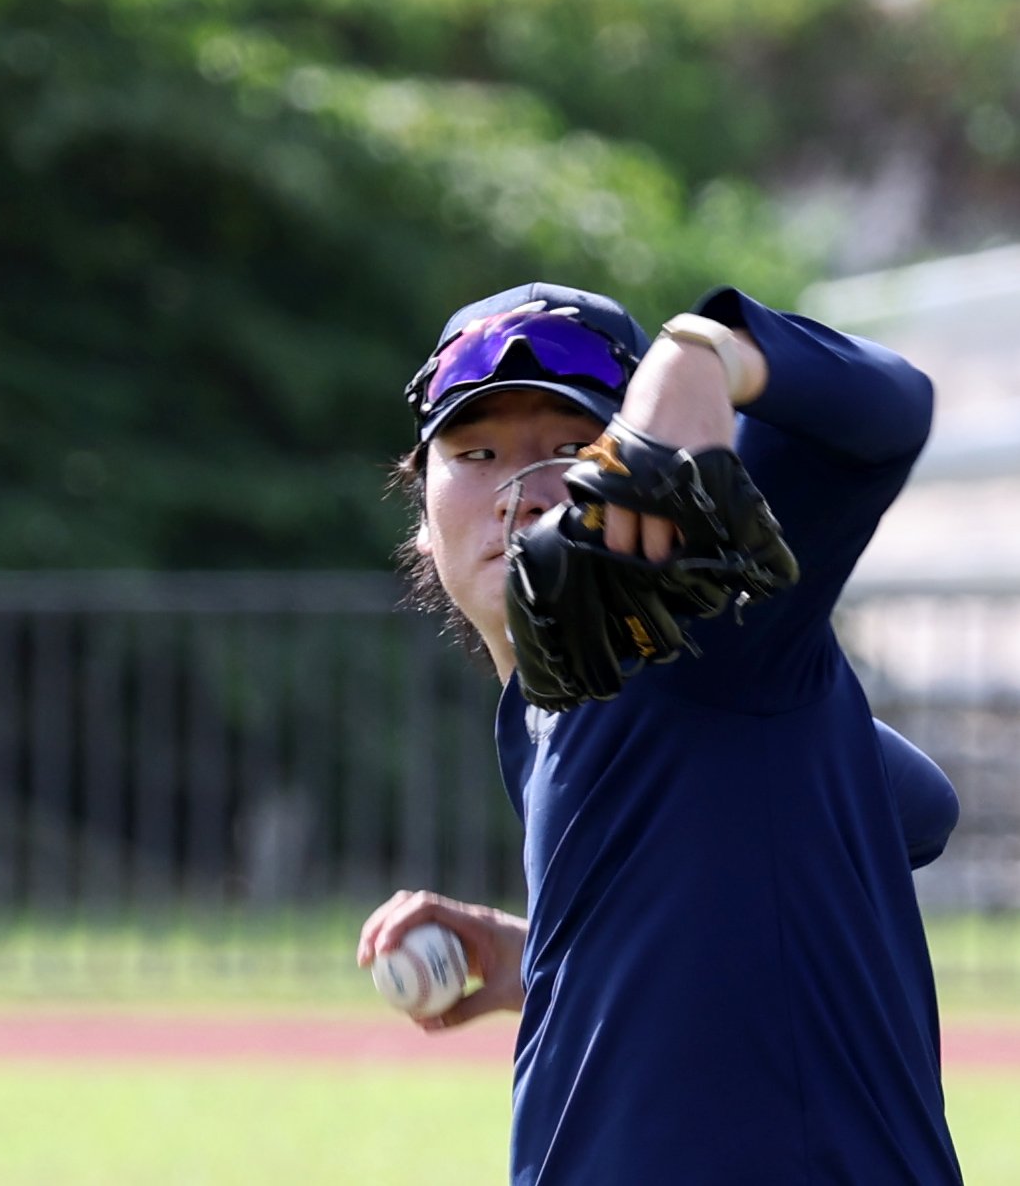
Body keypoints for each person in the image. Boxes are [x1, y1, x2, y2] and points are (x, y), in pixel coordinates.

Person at [356, 282, 963, 1183]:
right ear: (423, 516)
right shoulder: (548, 716)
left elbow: (891, 409)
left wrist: (700, 355)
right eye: (476, 453)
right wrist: (564, 959)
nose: (522, 493)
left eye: (573, 449)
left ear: (644, 471)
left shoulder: (701, 640)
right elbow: (918, 808)